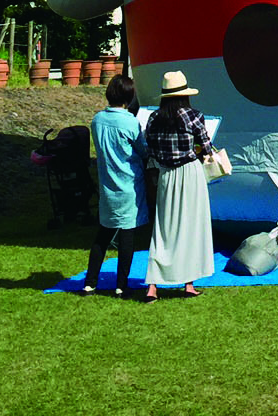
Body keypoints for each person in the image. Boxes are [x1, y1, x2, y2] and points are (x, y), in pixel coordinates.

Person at [143, 70, 217, 300]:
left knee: (163, 229)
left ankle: (152, 287)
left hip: (166, 174)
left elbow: (150, 149)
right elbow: (206, 148)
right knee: (191, 227)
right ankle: (188, 283)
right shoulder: (194, 116)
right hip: (190, 173)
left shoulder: (154, 118)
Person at [83, 73, 149, 296]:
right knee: (127, 237)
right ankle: (121, 285)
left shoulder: (97, 120)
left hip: (107, 184)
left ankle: (90, 282)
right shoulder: (130, 122)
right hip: (129, 185)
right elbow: (143, 151)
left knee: (103, 234)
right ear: (129, 97)